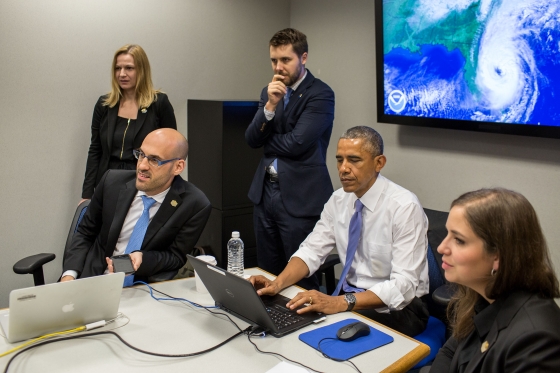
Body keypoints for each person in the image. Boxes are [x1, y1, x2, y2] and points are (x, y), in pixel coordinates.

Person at [250, 126, 430, 337]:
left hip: (400, 308)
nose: (344, 168)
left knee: (322, 333)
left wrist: (340, 302)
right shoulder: (338, 199)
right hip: (349, 297)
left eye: (354, 160)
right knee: (288, 318)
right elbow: (311, 250)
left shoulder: (404, 206)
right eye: (339, 160)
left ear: (379, 163)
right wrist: (277, 283)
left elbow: (404, 287)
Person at [430, 188, 560, 372]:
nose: (442, 247)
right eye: (447, 234)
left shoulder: (536, 340)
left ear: (498, 255)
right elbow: (450, 352)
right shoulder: (485, 298)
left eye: (458, 240)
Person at [246, 28, 335, 290]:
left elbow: (297, 143)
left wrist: (268, 144)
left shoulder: (320, 93)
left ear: (303, 57)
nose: (278, 67)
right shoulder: (269, 91)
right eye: (274, 60)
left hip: (301, 195)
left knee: (300, 275)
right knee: (267, 271)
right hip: (265, 193)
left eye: (286, 60)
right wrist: (270, 106)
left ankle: (302, 325)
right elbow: (251, 139)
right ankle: (271, 323)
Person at [62, 128, 211, 285]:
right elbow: (85, 233)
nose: (142, 166)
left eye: (154, 160)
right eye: (141, 155)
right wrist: (69, 275)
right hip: (94, 277)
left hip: (142, 286)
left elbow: (175, 256)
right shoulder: (111, 182)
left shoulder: (195, 204)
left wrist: (143, 259)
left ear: (178, 167)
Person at [81, 44, 177, 202]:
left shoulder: (159, 104)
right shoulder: (104, 104)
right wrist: (87, 194)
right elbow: (95, 150)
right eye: (118, 68)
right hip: (107, 182)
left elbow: (171, 151)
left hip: (144, 183)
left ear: (142, 70)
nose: (122, 74)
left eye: (129, 68)